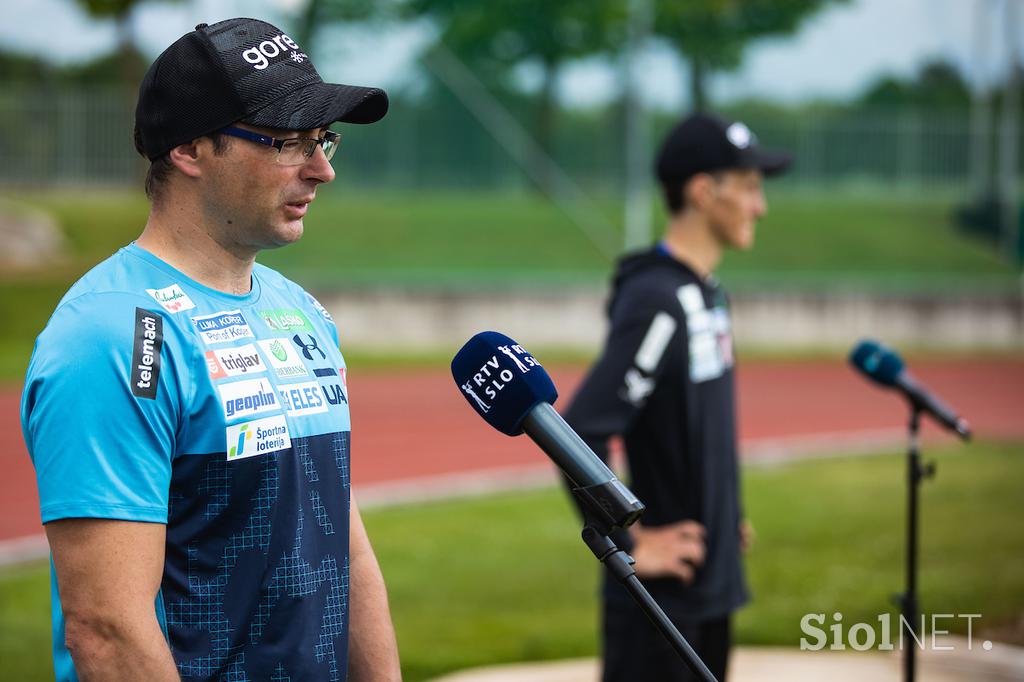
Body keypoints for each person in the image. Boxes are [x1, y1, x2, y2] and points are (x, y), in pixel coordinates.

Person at [20, 18, 401, 681]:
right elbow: (106, 630)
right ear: (191, 151)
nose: (323, 169)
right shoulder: (110, 337)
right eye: (288, 143)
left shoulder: (299, 311)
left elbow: (344, 550)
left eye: (322, 140)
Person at [564, 112, 792, 681]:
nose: (760, 206)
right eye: (749, 188)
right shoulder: (657, 300)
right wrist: (635, 538)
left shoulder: (706, 294)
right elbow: (579, 429)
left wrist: (724, 510)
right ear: (702, 190)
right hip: (662, 607)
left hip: (710, 591)